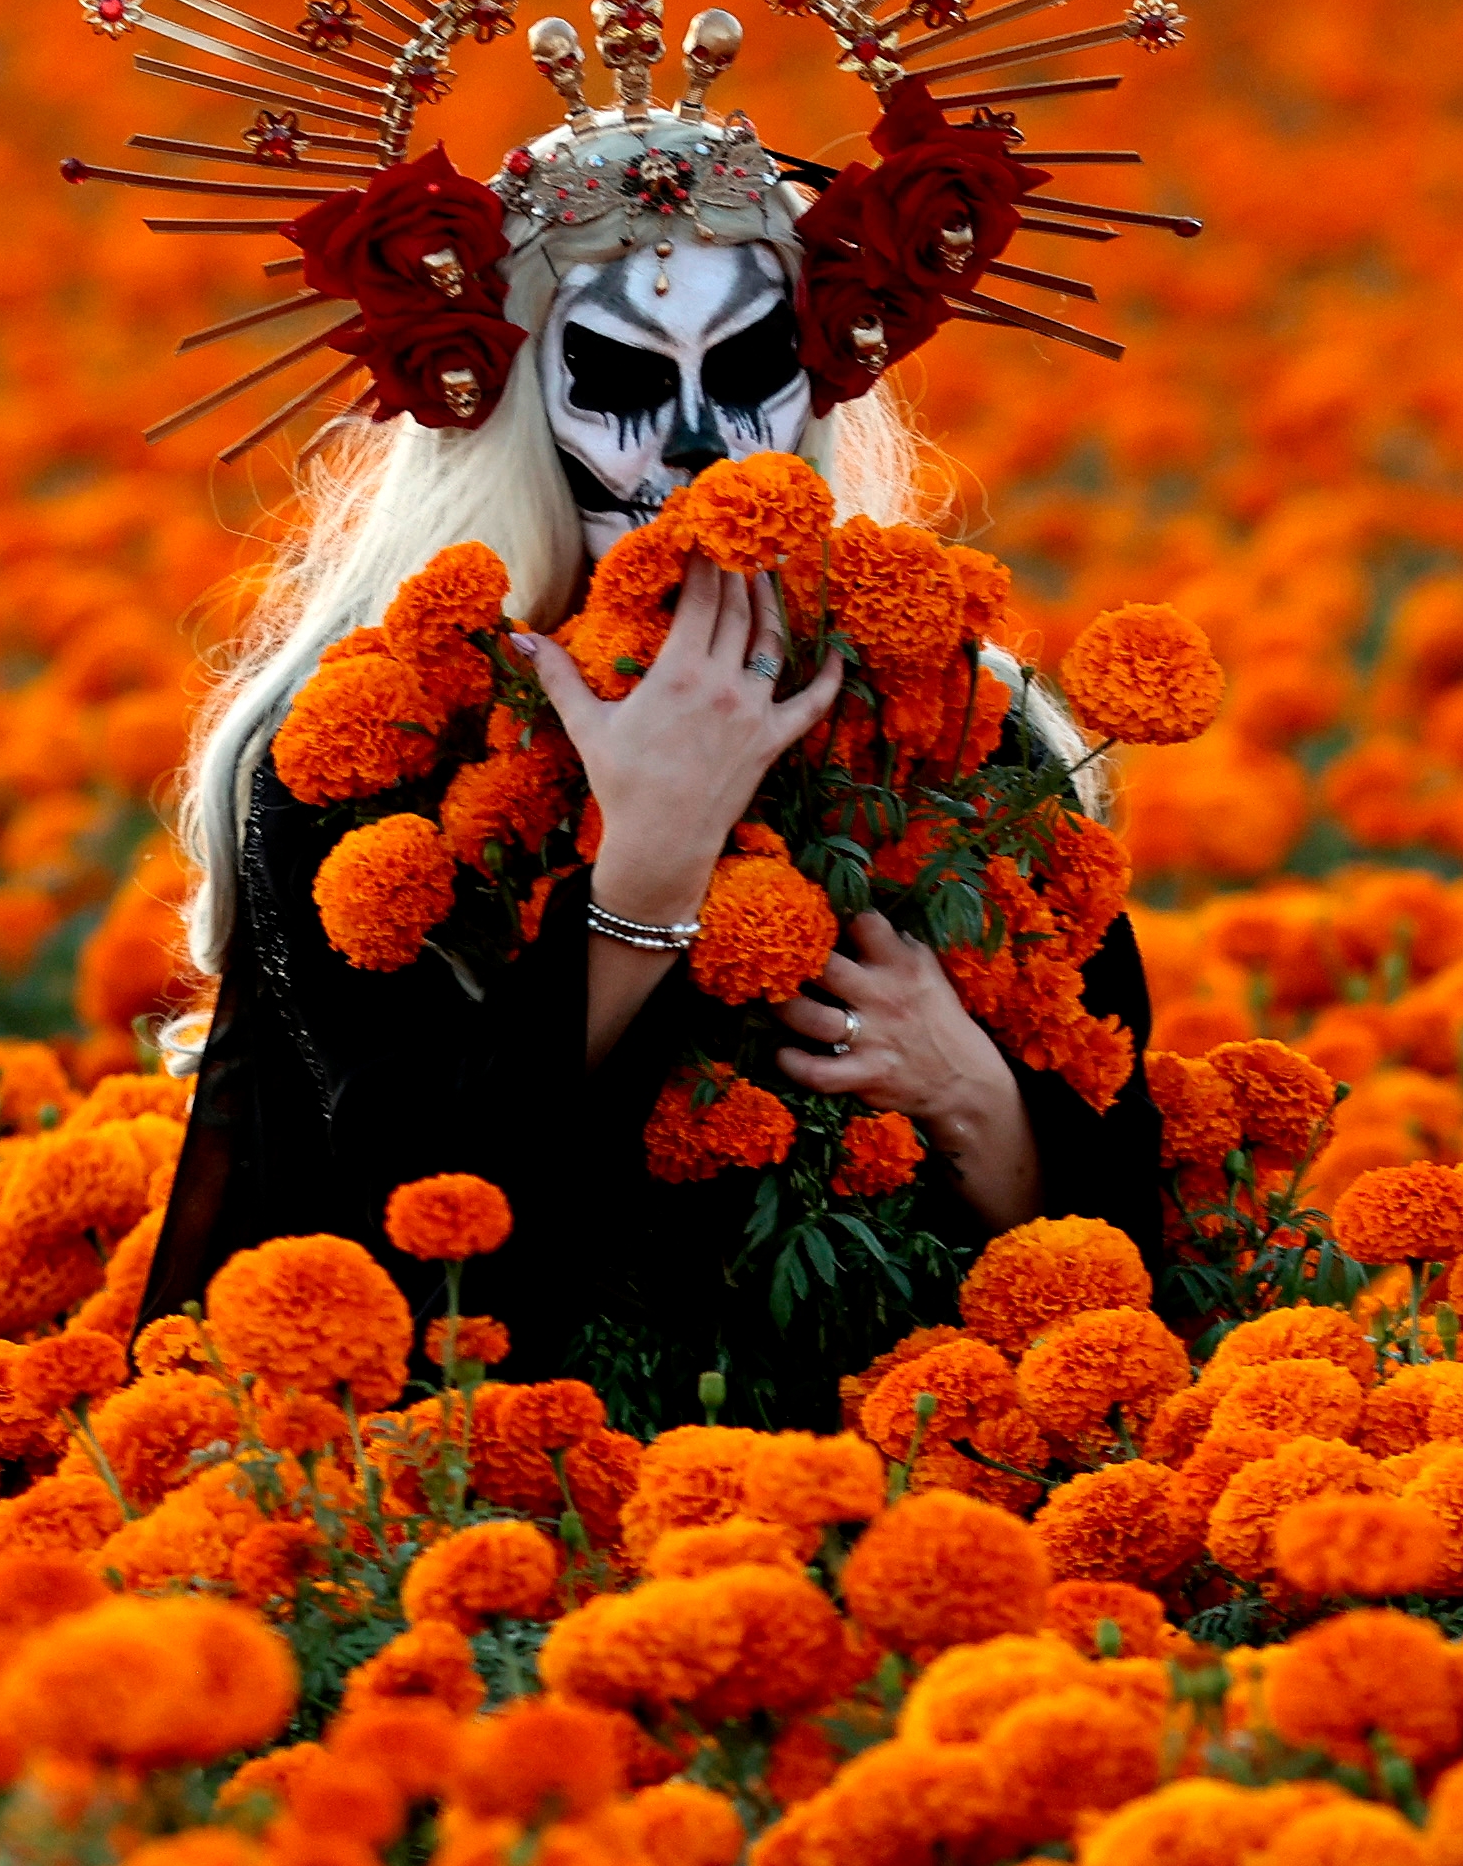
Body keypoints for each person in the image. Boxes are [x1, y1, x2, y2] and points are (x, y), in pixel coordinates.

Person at [130, 145, 1164, 1426]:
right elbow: (392, 1208)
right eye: (619, 380)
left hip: (934, 1449)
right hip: (515, 1473)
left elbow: (1120, 1244)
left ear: (820, 382)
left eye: (747, 372)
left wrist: (967, 1087)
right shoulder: (361, 742)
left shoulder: (955, 720)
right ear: (509, 405)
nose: (694, 445)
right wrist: (653, 869)